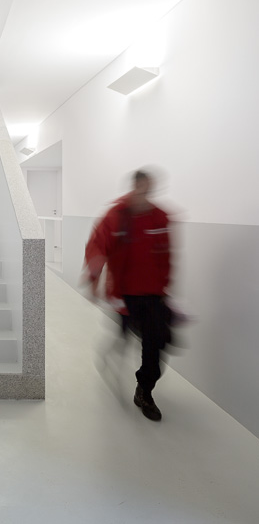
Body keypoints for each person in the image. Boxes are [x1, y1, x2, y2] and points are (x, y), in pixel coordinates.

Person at [83, 169, 172, 421]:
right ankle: (112, 352)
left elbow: (167, 254)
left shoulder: (159, 217)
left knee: (156, 342)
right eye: (142, 187)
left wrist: (165, 287)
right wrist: (94, 279)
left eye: (150, 188)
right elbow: (97, 246)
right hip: (124, 293)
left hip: (153, 293)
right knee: (125, 335)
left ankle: (144, 391)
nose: (146, 192)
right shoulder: (117, 215)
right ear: (135, 186)